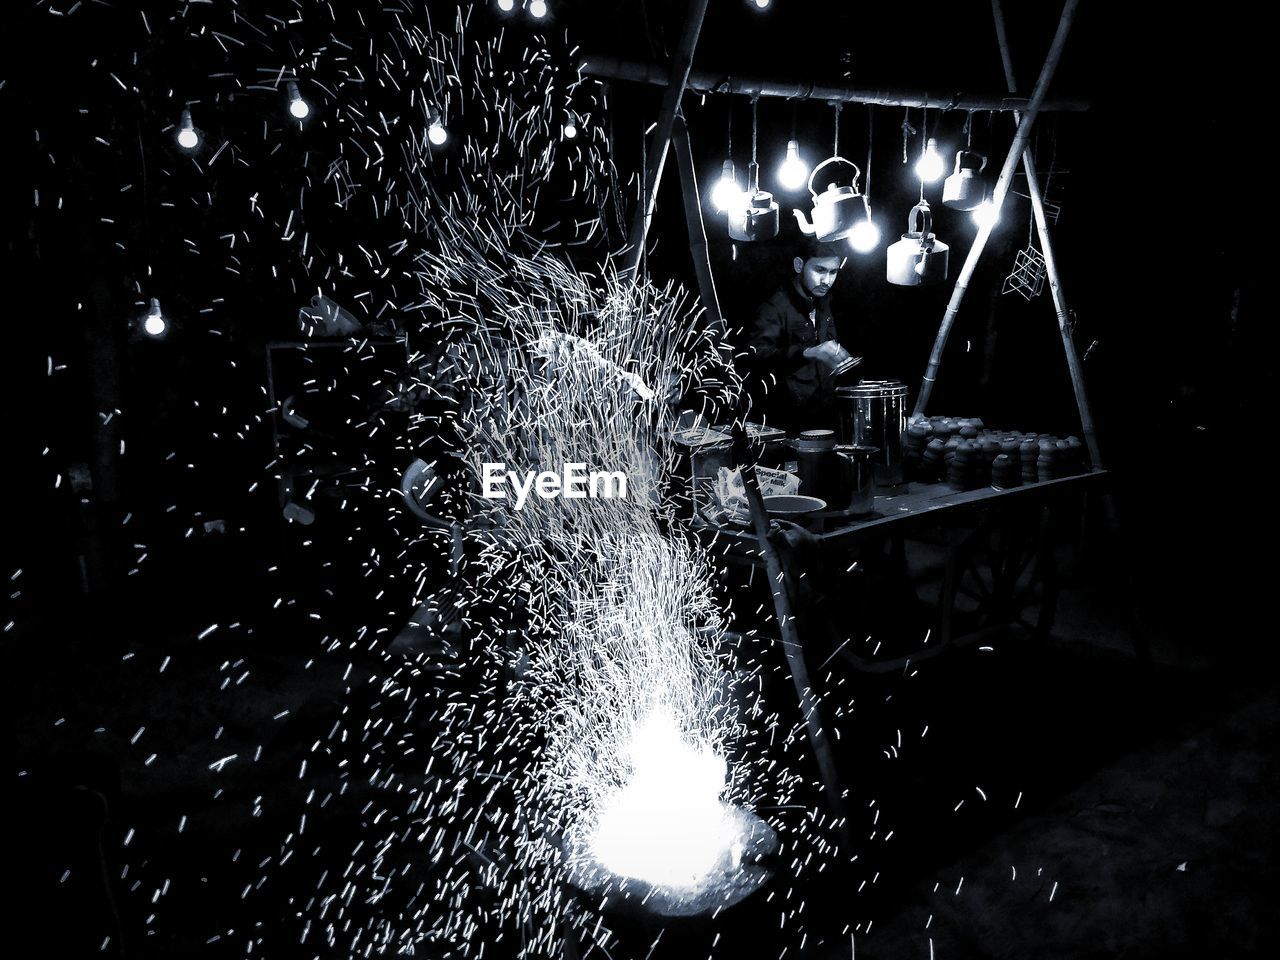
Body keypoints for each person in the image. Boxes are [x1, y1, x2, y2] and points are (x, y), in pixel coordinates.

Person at [745, 238, 860, 431]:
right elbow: (756, 355)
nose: (827, 280)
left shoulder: (824, 302)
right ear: (799, 265)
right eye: (820, 270)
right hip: (788, 422)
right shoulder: (775, 306)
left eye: (834, 272)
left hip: (825, 416)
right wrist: (808, 352)